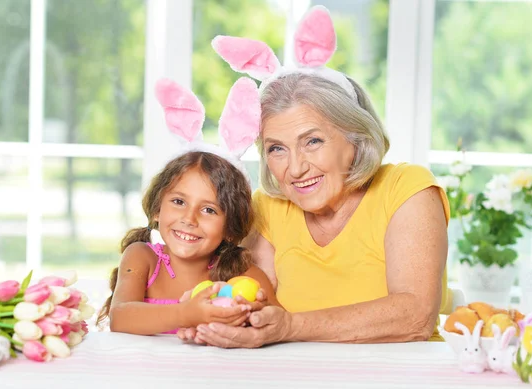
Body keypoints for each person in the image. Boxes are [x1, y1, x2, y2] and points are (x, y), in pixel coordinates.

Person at [178, 5, 450, 347]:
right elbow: (251, 303)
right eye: (277, 148)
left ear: (355, 138)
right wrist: (213, 318)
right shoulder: (269, 207)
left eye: (313, 141)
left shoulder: (406, 190)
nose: (295, 168)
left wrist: (290, 327)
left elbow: (415, 316)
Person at [96, 77, 277, 335]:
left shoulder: (243, 273)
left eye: (209, 210)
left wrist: (252, 315)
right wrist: (188, 313)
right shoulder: (142, 257)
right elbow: (121, 318)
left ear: (230, 227)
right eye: (179, 202)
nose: (189, 219)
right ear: (157, 209)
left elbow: (279, 321)